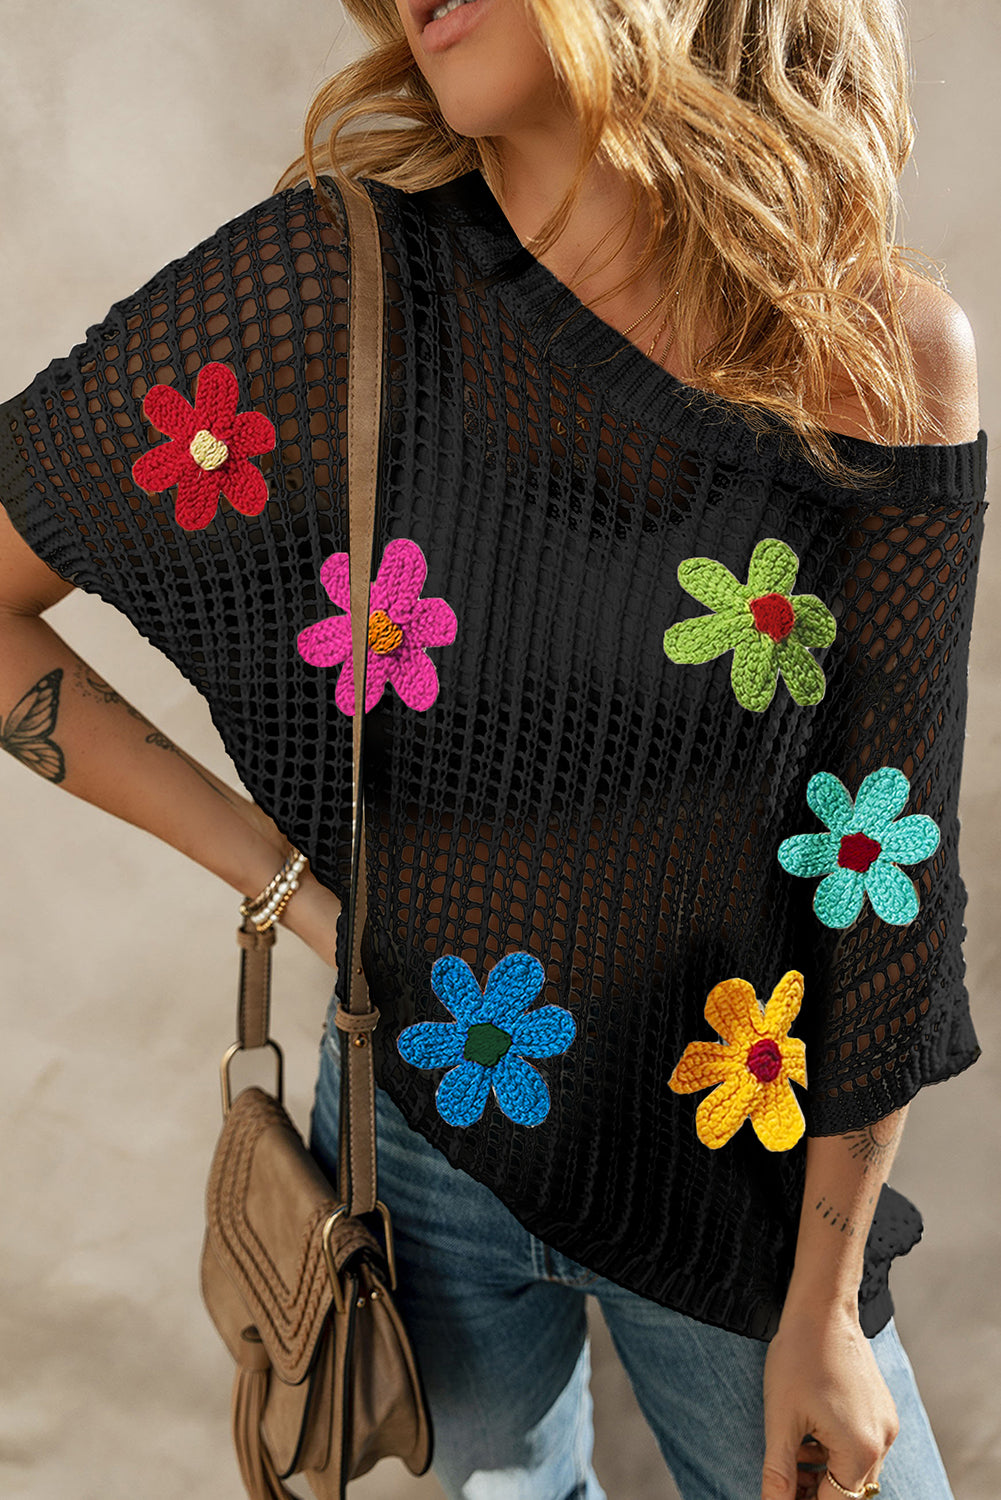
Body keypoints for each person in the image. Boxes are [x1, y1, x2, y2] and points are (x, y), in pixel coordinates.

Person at [0, 2, 986, 1499]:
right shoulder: (329, 293)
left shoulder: (868, 353)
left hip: (737, 1185)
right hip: (411, 1141)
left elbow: (882, 871)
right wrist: (283, 886)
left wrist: (824, 1307)